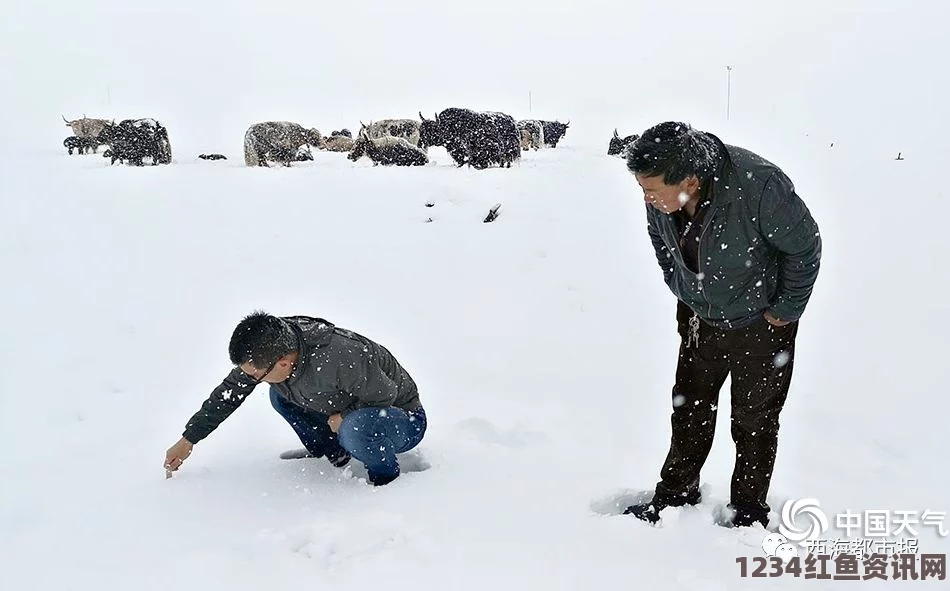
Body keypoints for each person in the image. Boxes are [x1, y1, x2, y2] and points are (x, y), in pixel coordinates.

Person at [623, 122, 821, 528]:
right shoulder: (661, 194)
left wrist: (784, 310)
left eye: (653, 190)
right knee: (689, 408)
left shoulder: (760, 185)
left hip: (761, 324)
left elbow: (805, 247)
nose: (646, 198)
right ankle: (676, 494)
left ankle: (748, 510)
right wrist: (681, 286)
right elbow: (660, 242)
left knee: (754, 420)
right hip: (700, 320)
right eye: (643, 189)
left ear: (691, 180)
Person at [164, 311, 427, 486]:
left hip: (401, 417)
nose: (250, 379)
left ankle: (385, 481)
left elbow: (385, 395)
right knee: (280, 396)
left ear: (284, 362)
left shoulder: (341, 355)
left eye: (257, 374)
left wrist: (345, 418)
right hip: (347, 407)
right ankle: (335, 454)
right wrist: (189, 440)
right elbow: (229, 394)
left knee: (355, 427)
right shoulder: (272, 345)